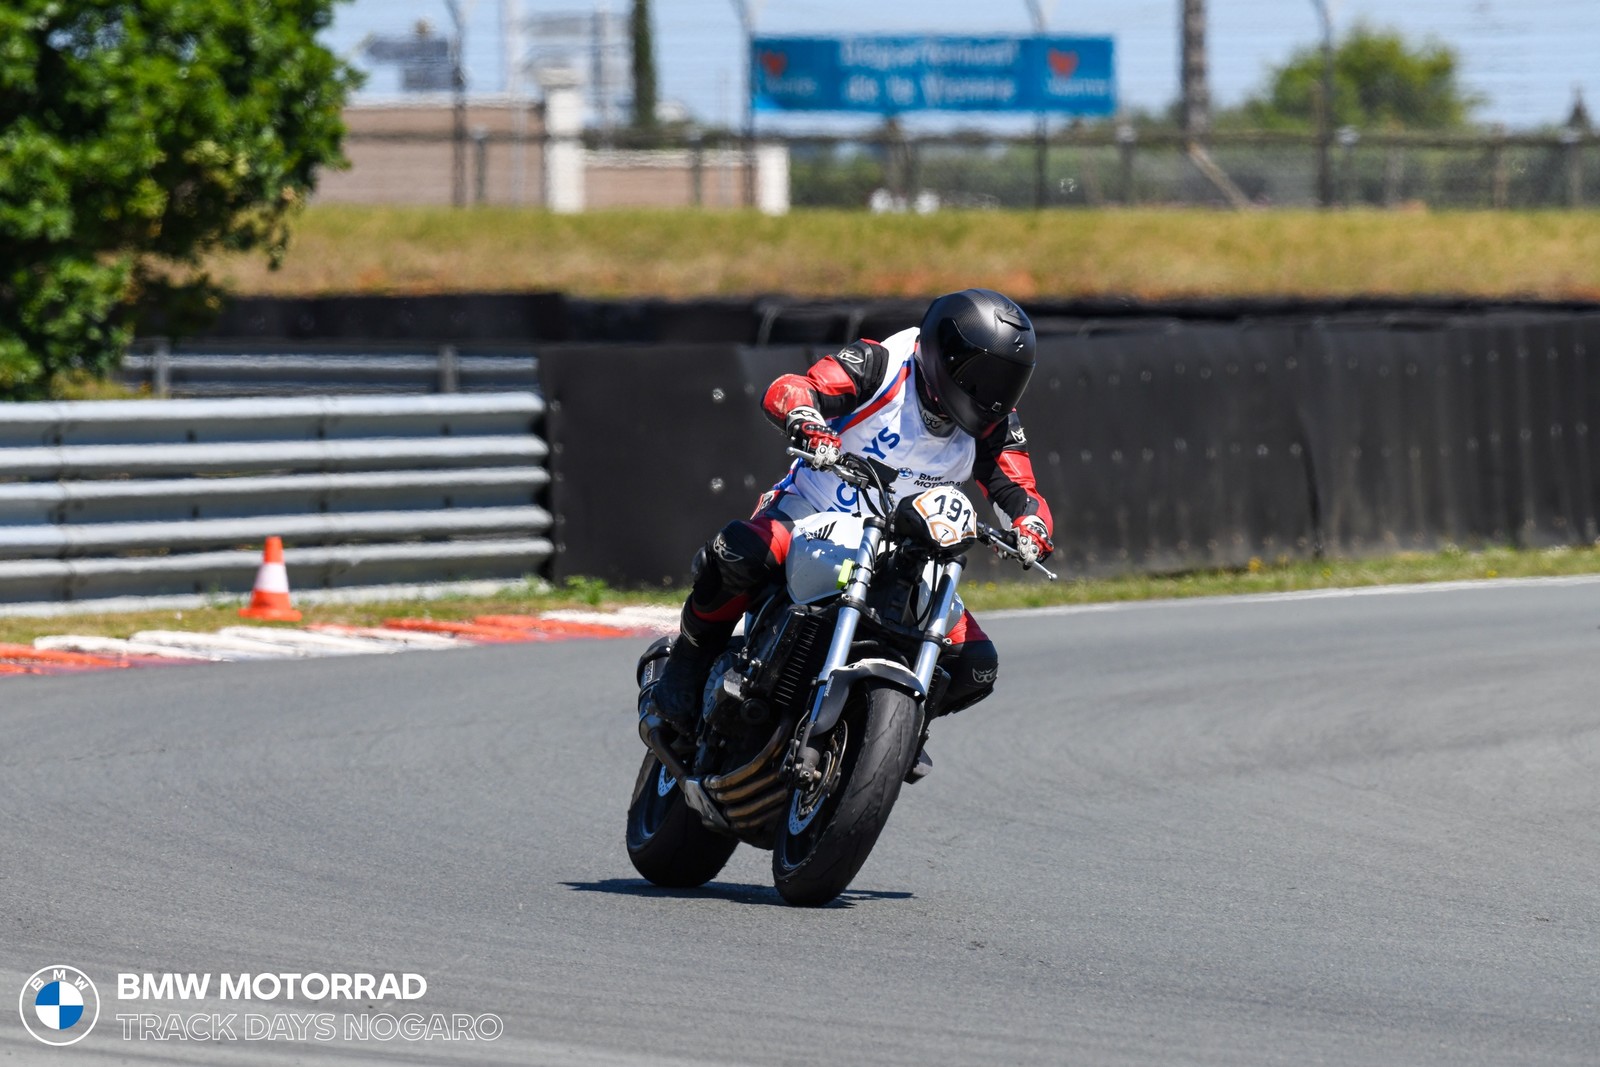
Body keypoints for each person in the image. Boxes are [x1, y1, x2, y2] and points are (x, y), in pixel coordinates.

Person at [641, 288, 1055, 771]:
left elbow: (1021, 492)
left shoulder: (993, 423)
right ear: (945, 356)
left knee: (975, 664)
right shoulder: (879, 366)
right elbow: (794, 387)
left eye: (1007, 381)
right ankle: (687, 667)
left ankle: (886, 731)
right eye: (982, 377)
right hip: (812, 514)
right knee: (740, 553)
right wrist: (805, 419)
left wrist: (1032, 528)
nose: (993, 394)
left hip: (904, 552)